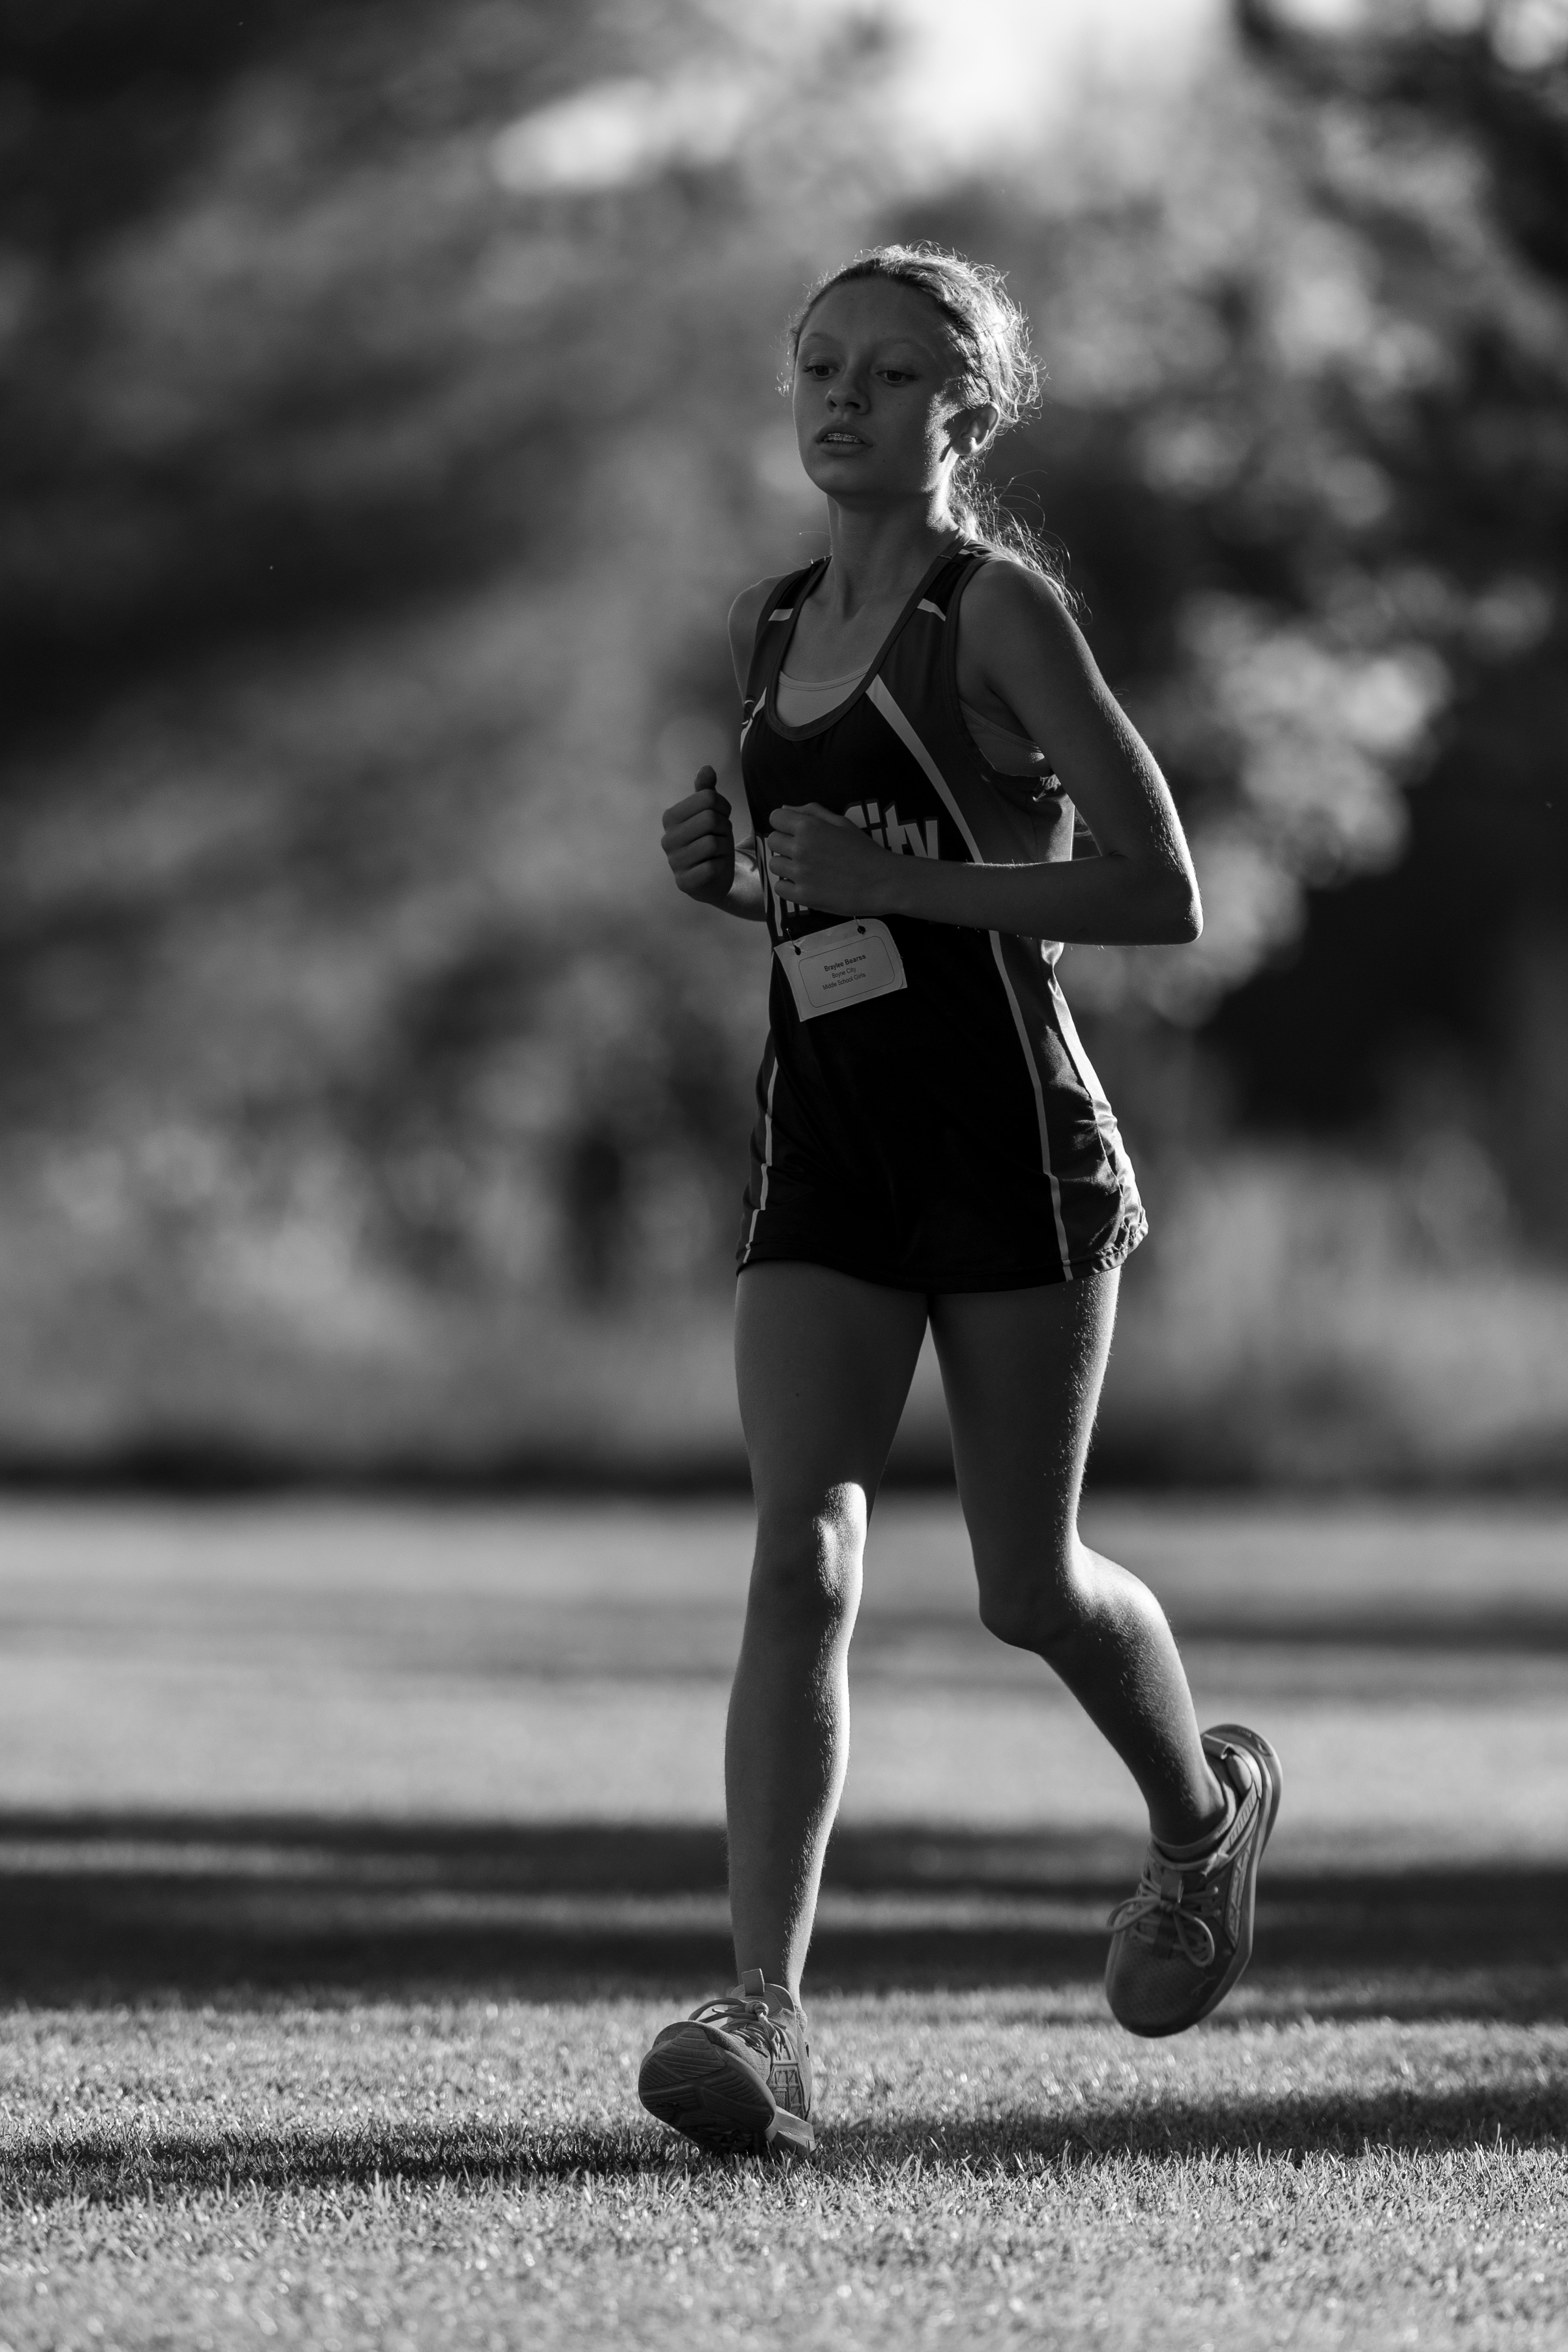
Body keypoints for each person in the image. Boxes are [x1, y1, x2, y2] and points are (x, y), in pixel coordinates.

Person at [638, 244, 1280, 2159]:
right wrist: (731, 881)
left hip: (1015, 1149)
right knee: (802, 1550)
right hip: (828, 1147)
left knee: (1026, 1586)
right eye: (820, 365)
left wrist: (892, 882)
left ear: (968, 411)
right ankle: (762, 2018)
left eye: (896, 373)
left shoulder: (996, 616)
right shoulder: (765, 625)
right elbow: (824, 892)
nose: (846, 398)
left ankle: (1201, 1825)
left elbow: (1160, 893)